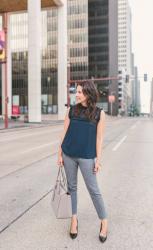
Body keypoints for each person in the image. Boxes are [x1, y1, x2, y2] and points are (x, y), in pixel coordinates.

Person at [57, 81, 108, 243]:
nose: (76, 94)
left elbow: (99, 139)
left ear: (88, 93)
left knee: (94, 190)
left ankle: (104, 222)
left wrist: (98, 160)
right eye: (76, 91)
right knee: (72, 188)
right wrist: (59, 154)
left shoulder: (99, 114)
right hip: (69, 155)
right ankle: (74, 219)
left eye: (79, 92)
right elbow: (64, 133)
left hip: (87, 157)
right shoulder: (71, 111)